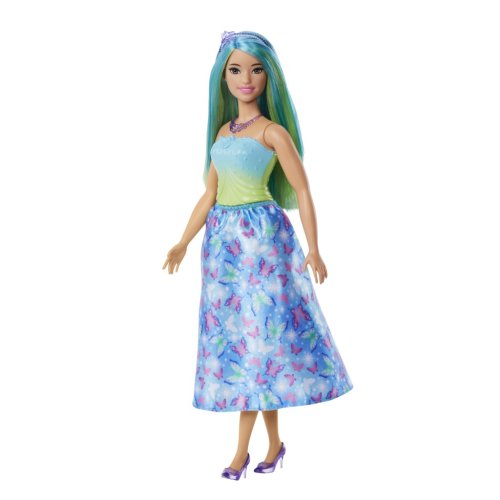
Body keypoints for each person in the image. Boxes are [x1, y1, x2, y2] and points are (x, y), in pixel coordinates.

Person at [163, 30, 353, 480]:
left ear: (269, 77)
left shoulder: (273, 132)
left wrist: (314, 248)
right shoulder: (222, 132)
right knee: (245, 346)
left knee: (261, 341)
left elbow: (303, 189)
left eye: (256, 70)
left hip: (262, 241)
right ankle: (274, 445)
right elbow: (209, 194)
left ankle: (240, 454)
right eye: (235, 70)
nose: (245, 79)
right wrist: (183, 241)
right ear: (223, 77)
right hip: (222, 248)